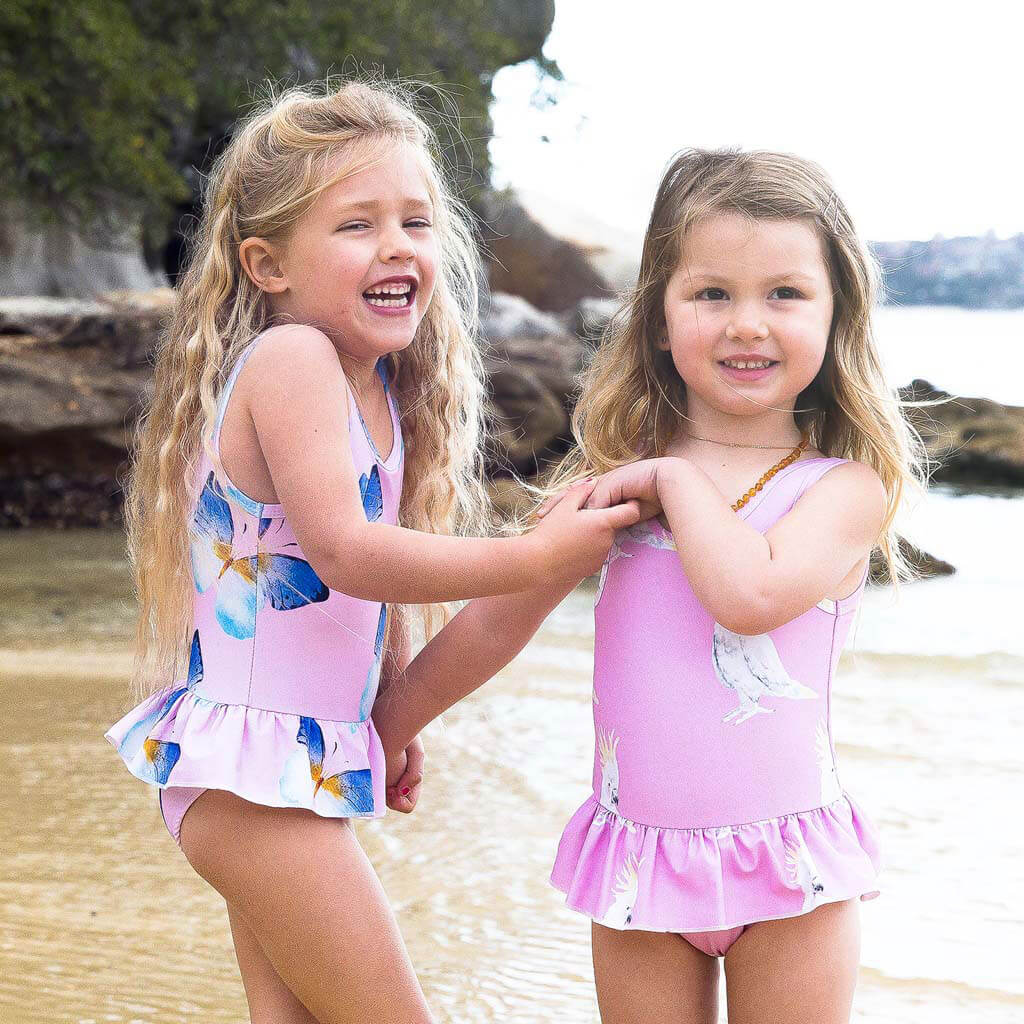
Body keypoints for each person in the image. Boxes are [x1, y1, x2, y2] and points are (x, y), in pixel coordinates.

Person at [104, 79, 638, 1024]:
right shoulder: (292, 360)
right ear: (266, 264)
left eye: (417, 222)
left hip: (288, 768)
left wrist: (386, 707)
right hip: (249, 782)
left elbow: (352, 588)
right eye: (357, 225)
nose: (398, 245)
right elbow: (350, 553)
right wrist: (537, 556)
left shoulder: (377, 391)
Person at [374, 148, 926, 1023]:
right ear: (661, 320)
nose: (748, 322)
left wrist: (671, 482)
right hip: (638, 863)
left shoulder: (841, 489)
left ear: (835, 316)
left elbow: (753, 595)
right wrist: (389, 725)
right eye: (712, 293)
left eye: (785, 293)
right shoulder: (614, 483)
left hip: (790, 871)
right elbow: (496, 619)